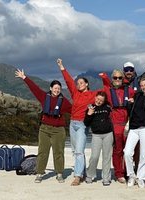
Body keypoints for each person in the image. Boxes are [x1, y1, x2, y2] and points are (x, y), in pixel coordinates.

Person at [15, 69, 72, 183]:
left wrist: (89, 112)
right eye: (55, 88)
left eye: (59, 89)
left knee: (58, 152)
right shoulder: (43, 97)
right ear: (51, 88)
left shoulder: (64, 101)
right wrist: (24, 77)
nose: (57, 90)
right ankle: (40, 173)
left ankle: (59, 173)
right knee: (42, 152)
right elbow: (34, 88)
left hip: (58, 130)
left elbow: (74, 110)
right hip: (44, 129)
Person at [57, 58, 101, 186]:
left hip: (82, 125)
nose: (79, 84)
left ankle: (77, 176)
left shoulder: (93, 95)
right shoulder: (75, 93)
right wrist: (62, 67)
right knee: (76, 150)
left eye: (81, 82)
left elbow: (106, 92)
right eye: (78, 83)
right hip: (72, 124)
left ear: (87, 84)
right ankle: (84, 173)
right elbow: (68, 80)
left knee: (79, 151)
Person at [99, 70, 135, 184]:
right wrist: (104, 77)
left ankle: (128, 172)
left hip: (127, 125)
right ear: (112, 79)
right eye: (115, 78)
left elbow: (138, 99)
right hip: (115, 125)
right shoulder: (109, 92)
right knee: (118, 150)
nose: (118, 80)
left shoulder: (128, 90)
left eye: (120, 78)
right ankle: (119, 173)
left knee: (129, 151)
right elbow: (104, 86)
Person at [124, 77, 145, 188]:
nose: (143, 87)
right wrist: (130, 103)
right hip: (133, 128)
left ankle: (141, 178)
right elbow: (130, 111)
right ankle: (131, 175)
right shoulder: (137, 96)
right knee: (127, 153)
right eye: (141, 85)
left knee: (143, 154)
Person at [84, 91, 114, 186]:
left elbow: (113, 118)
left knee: (107, 157)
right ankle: (89, 175)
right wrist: (89, 114)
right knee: (94, 156)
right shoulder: (90, 107)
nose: (99, 101)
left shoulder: (108, 108)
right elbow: (86, 123)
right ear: (95, 97)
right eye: (97, 99)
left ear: (104, 101)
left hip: (108, 134)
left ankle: (106, 178)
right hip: (96, 135)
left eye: (101, 100)